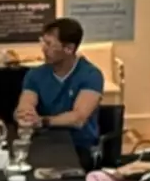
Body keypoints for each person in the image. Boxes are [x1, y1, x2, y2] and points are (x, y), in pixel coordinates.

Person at [14, 17, 104, 162]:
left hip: (79, 147)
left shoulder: (91, 75)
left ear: (69, 49)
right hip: (43, 142)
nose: (44, 48)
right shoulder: (35, 74)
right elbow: (26, 103)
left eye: (49, 44)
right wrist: (25, 114)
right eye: (43, 42)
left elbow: (78, 118)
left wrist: (42, 121)